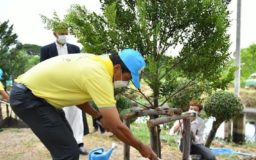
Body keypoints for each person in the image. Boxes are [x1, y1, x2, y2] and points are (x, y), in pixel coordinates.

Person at [9, 49, 158, 160]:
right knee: (68, 152)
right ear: (118, 68)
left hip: (38, 97)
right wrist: (141, 147)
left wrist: (97, 115)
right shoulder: (99, 74)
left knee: (67, 148)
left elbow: (78, 96)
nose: (126, 82)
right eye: (128, 77)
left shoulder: (97, 61)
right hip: (29, 98)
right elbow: (116, 125)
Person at [40, 21, 89, 155]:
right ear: (54, 33)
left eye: (65, 33)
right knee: (60, 116)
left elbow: (80, 67)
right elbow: (42, 70)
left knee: (76, 114)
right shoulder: (46, 50)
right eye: (61, 33)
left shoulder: (75, 49)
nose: (64, 35)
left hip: (73, 87)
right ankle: (64, 144)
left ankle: (79, 143)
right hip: (56, 88)